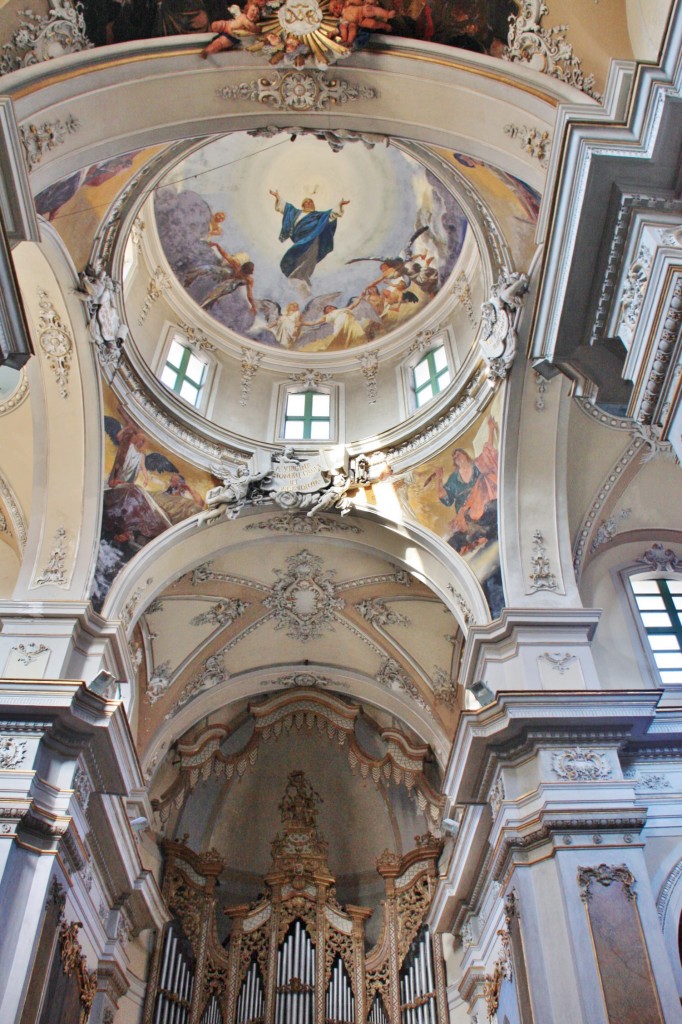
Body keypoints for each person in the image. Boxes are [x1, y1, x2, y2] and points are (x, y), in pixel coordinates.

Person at [429, 416, 498, 554]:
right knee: (458, 536)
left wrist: (491, 429)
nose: (457, 457)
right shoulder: (454, 478)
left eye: (459, 454)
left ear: (465, 455)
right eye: (454, 457)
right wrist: (438, 479)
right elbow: (446, 499)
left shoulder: (477, 465)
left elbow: (488, 454)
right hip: (465, 513)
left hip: (481, 502)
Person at [269, 189, 350, 286]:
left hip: (312, 238)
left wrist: (340, 204)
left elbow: (331, 214)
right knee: (296, 255)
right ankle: (297, 275)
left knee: (311, 255)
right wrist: (277, 197)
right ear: (303, 205)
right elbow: (285, 207)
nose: (309, 203)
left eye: (311, 202)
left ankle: (303, 276)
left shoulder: (318, 215)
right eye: (306, 202)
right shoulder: (295, 213)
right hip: (300, 240)